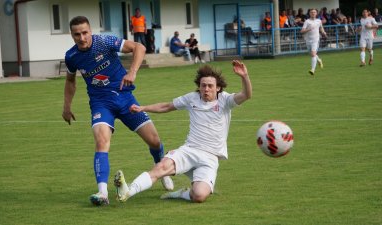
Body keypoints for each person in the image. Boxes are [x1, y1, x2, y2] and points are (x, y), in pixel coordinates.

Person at [62, 16, 173, 206]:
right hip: (101, 103)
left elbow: (140, 47)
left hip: (125, 99)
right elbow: (70, 81)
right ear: (72, 36)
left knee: (155, 141)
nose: (82, 38)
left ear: (91, 31)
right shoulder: (71, 56)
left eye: (85, 33)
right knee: (101, 141)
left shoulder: (104, 42)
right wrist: (66, 107)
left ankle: (160, 168)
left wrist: (132, 72)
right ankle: (102, 192)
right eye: (77, 34)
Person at [114, 60, 252, 203]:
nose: (206, 89)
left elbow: (246, 95)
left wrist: (244, 76)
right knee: (161, 167)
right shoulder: (192, 98)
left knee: (199, 195)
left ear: (218, 88)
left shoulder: (225, 100)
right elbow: (166, 106)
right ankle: (128, 190)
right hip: (189, 150)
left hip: (210, 157)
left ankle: (181, 193)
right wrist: (143, 108)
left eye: (210, 86)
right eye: (203, 85)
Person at [300, 8, 327, 75]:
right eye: (311, 12)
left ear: (316, 13)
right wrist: (308, 29)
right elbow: (302, 31)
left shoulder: (319, 21)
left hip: (316, 40)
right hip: (308, 40)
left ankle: (312, 70)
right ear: (309, 13)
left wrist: (324, 33)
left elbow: (321, 28)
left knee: (313, 54)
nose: (313, 13)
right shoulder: (307, 21)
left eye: (314, 12)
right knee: (312, 54)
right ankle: (319, 60)